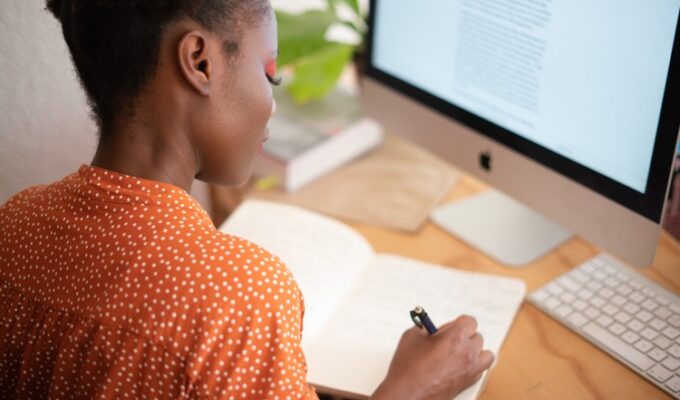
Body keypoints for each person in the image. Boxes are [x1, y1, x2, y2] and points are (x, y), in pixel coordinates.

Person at [0, 1, 494, 398]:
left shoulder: (15, 224)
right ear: (199, 62)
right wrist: (412, 388)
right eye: (270, 74)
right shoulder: (240, 298)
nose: (272, 103)